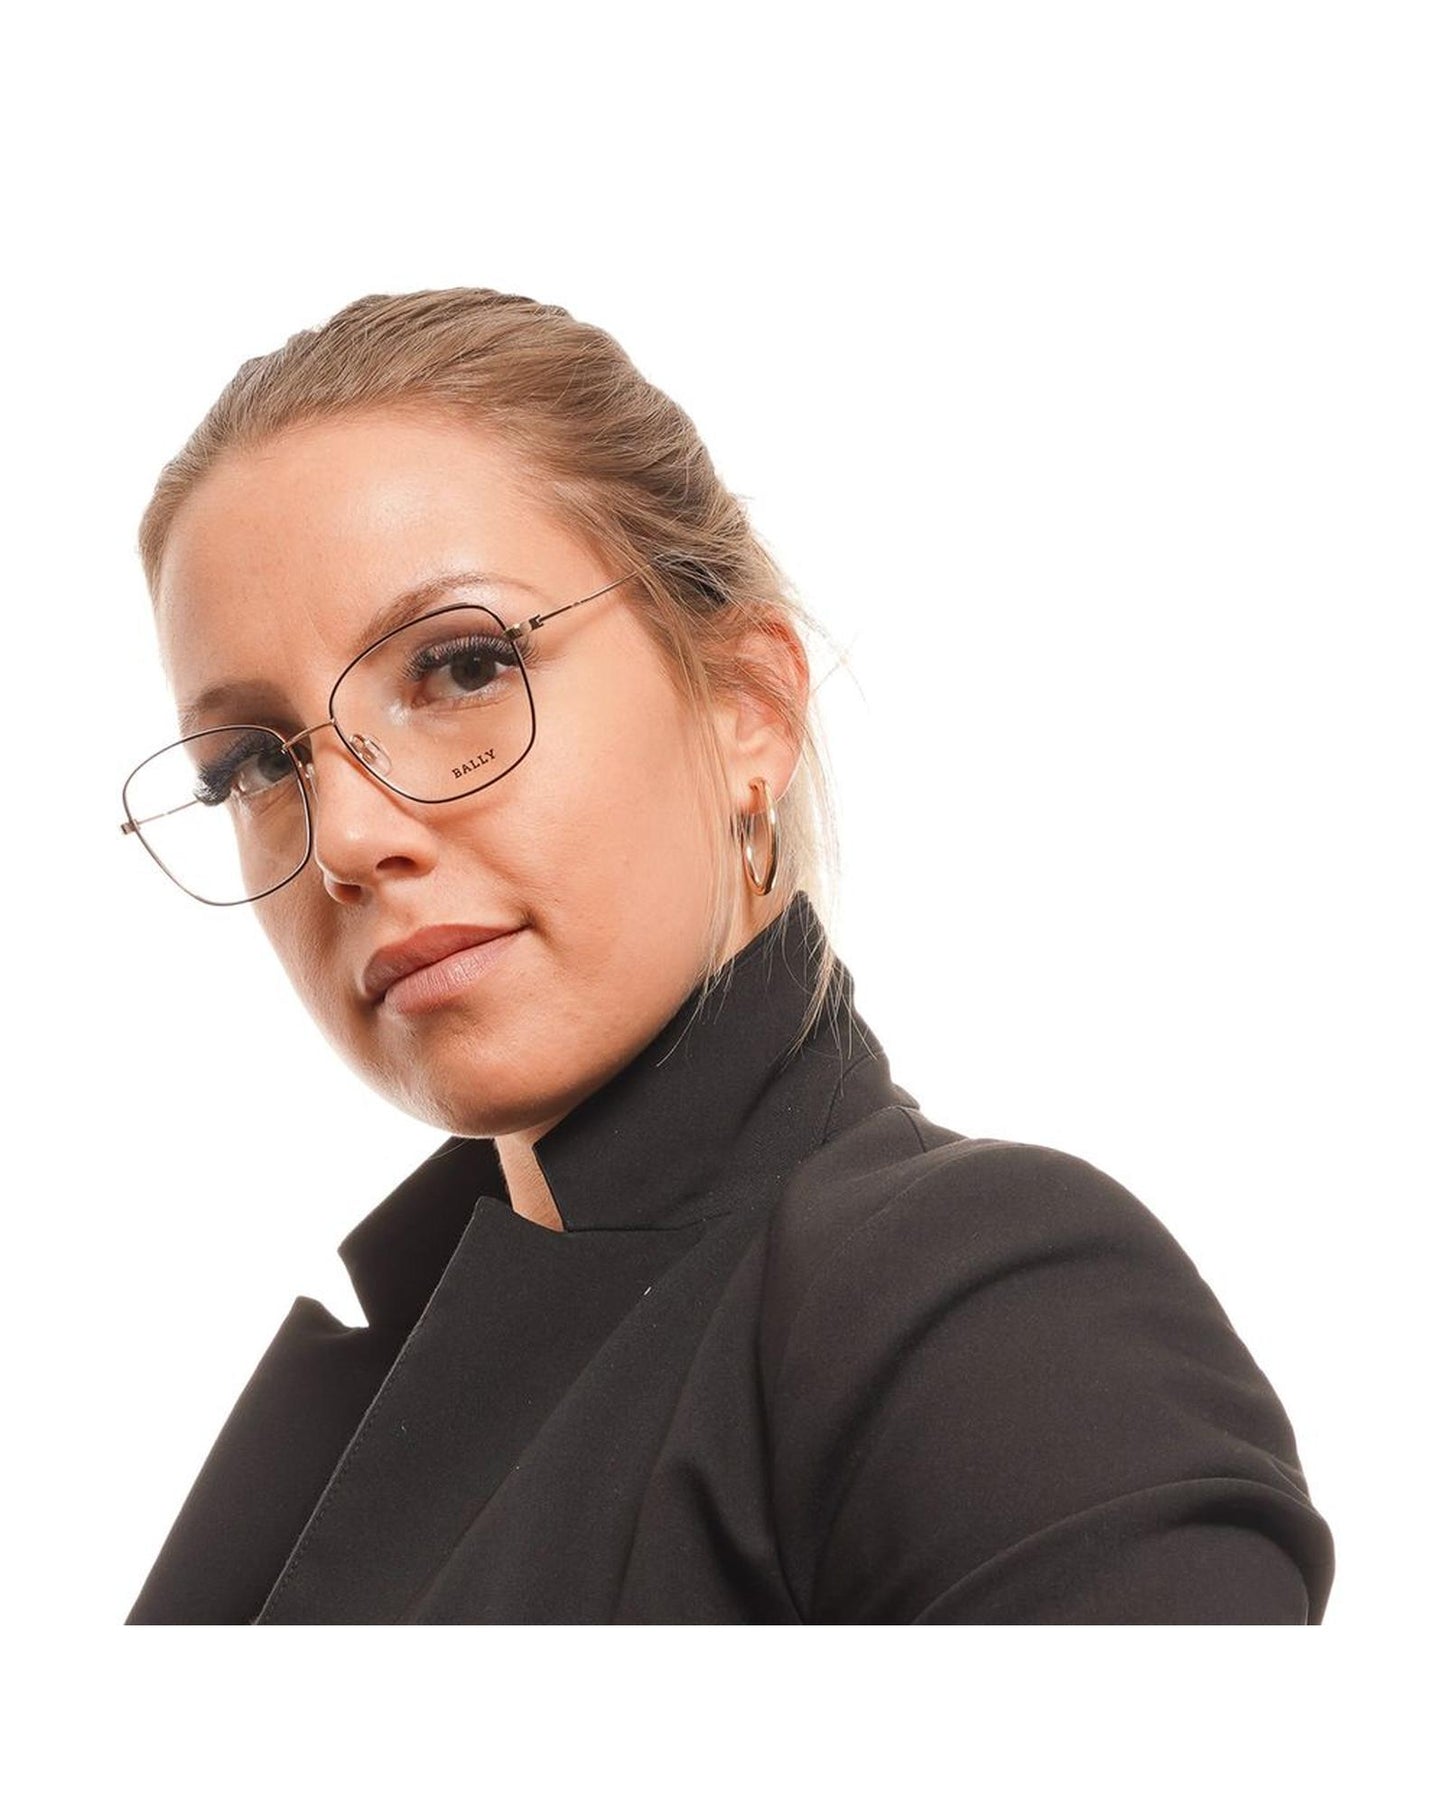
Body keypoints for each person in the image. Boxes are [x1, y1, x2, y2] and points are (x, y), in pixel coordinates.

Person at [119, 288, 1334, 1624]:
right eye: (253, 764)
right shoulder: (357, 1403)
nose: (346, 837)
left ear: (747, 705)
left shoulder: (980, 1304)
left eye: (461, 668)